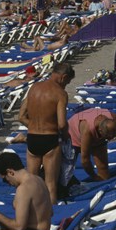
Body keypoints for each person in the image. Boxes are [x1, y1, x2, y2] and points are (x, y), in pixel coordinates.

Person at [18, 63, 74, 205]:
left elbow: (21, 116)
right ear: (63, 77)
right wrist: (66, 135)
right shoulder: (60, 93)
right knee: (50, 185)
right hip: (50, 139)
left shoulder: (34, 88)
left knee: (31, 182)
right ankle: (51, 220)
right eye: (67, 83)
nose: (65, 86)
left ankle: (30, 213)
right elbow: (61, 123)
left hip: (32, 138)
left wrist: (34, 127)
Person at [67, 108, 116, 181]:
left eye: (113, 137)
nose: (110, 140)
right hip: (71, 137)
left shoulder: (115, 119)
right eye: (108, 137)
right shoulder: (87, 131)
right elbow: (85, 160)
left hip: (96, 138)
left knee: (103, 169)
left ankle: (104, 183)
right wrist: (94, 176)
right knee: (66, 171)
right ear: (100, 131)